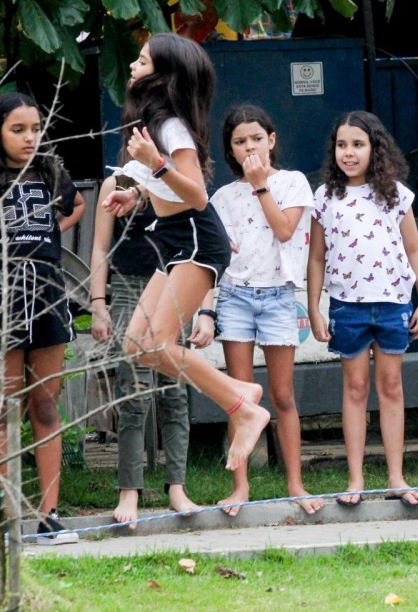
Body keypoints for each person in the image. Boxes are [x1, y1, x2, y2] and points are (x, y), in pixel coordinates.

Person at [101, 33, 271, 473]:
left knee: (156, 343)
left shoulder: (172, 128)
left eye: (142, 61)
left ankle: (243, 407)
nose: (133, 67)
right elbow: (163, 184)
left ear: (164, 76)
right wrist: (135, 194)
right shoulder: (151, 123)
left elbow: (196, 194)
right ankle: (240, 394)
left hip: (196, 237)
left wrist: (155, 163)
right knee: (137, 345)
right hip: (174, 237)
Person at [308, 111, 418, 508]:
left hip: (394, 303)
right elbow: (316, 258)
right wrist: (314, 307)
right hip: (347, 307)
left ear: (375, 148)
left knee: (391, 386)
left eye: (358, 144)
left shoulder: (395, 194)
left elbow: (414, 249)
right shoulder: (325, 197)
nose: (348, 153)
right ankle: (355, 478)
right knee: (355, 388)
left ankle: (396, 477)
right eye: (341, 145)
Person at [211, 104, 322, 516]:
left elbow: (285, 230)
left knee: (282, 394)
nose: (250, 147)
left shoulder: (292, 182)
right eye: (240, 141)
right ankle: (240, 487)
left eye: (257, 138)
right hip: (236, 295)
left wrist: (261, 186)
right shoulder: (222, 197)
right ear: (230, 150)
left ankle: (295, 483)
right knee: (239, 397)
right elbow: (218, 253)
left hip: (278, 295)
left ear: (271, 140)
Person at [91, 174, 202, 528]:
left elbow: (198, 243)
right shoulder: (115, 183)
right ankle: (129, 490)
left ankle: (177, 486)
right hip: (128, 287)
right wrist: (98, 303)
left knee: (175, 392)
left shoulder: (175, 177)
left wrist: (206, 309)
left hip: (174, 285)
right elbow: (100, 248)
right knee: (133, 395)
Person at [1, 92, 86, 544]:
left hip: (48, 292)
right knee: (6, 408)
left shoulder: (50, 170)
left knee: (45, 404)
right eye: (17, 130)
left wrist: (51, 234)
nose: (29, 138)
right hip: (6, 293)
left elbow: (77, 205)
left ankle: (49, 516)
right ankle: (7, 516)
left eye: (35, 128)